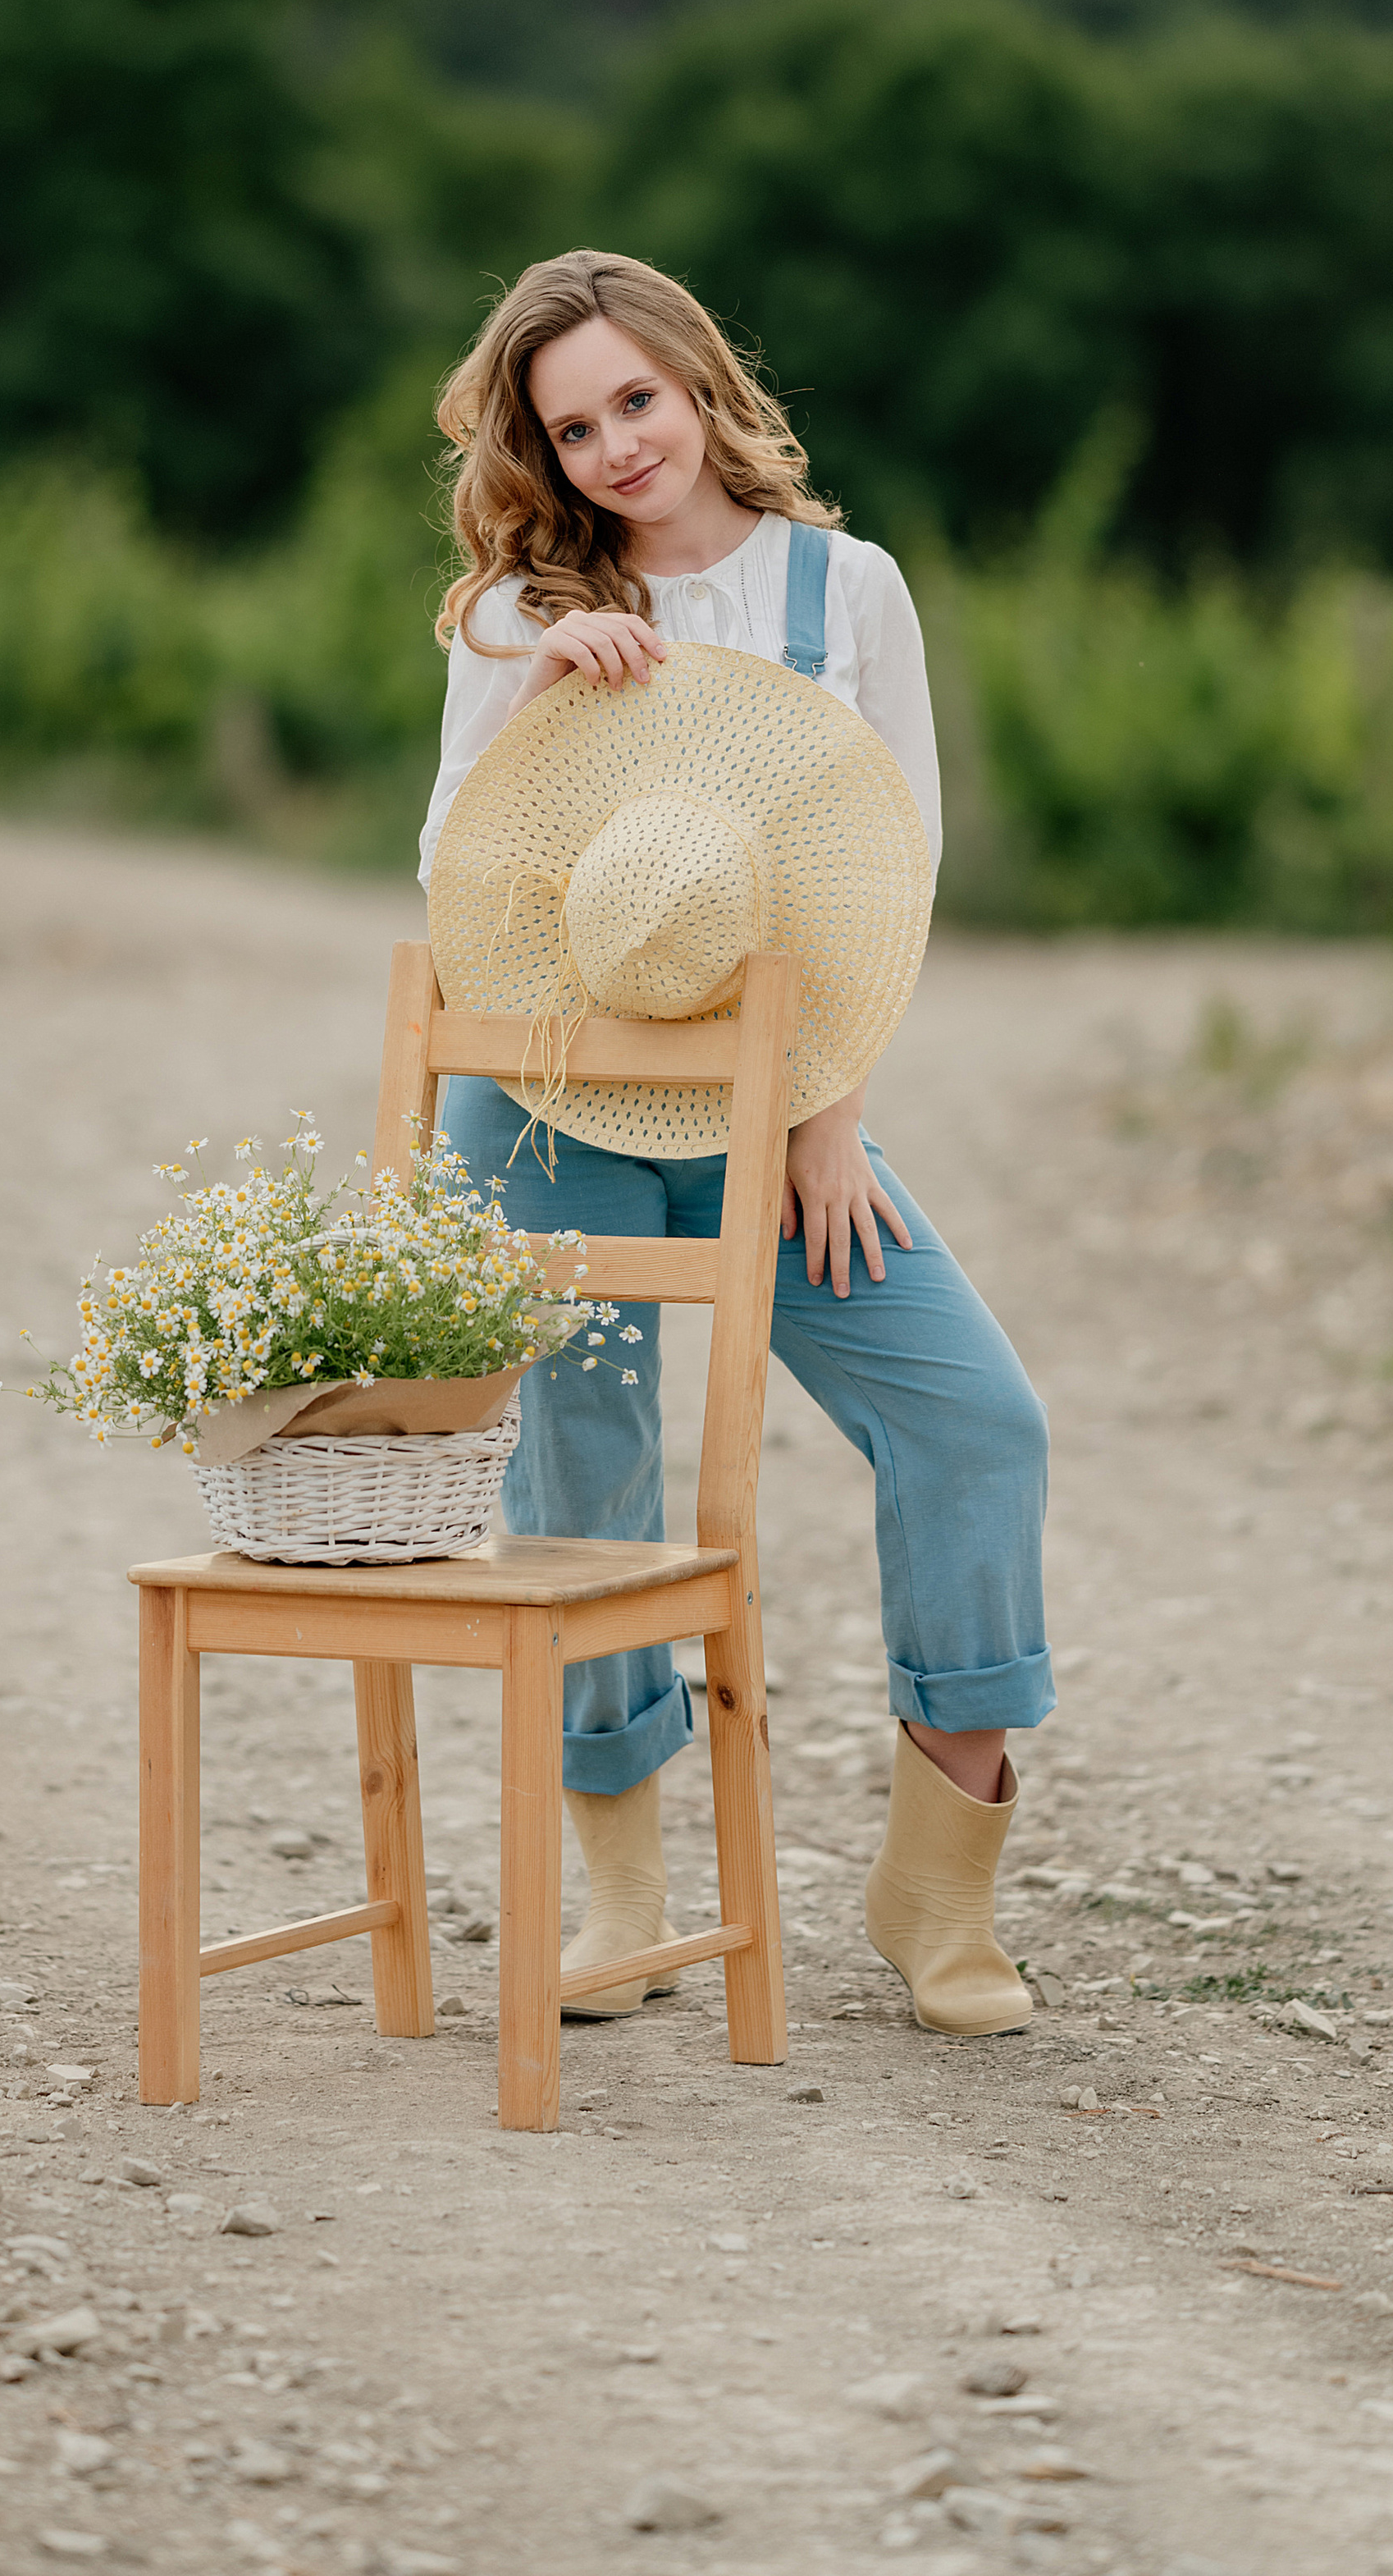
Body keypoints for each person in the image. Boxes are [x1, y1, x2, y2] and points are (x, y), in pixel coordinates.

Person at [418, 249, 1052, 2038]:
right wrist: (538, 682)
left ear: (698, 383)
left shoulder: (849, 592)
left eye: (637, 399)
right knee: (585, 1472)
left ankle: (937, 1885)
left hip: (774, 1098)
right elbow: (451, 873)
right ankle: (620, 1887)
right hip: (545, 1099)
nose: (616, 446)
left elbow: (885, 879)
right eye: (573, 428)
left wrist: (826, 1124)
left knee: (973, 1419)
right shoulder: (513, 610)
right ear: (539, 454)